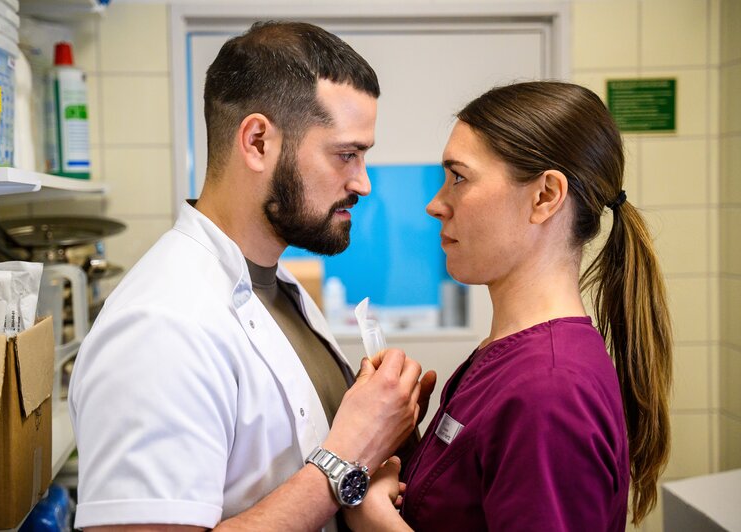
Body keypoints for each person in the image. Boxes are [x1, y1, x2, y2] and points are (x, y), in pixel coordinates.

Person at [69, 21, 434, 531]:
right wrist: (347, 455)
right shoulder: (161, 326)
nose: (363, 183)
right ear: (258, 141)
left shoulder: (273, 286)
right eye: (346, 155)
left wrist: (382, 436)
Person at [345, 81, 673, 531]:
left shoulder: (551, 390)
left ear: (545, 197)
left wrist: (373, 519)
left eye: (459, 177)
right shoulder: (508, 355)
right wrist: (401, 438)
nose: (435, 204)